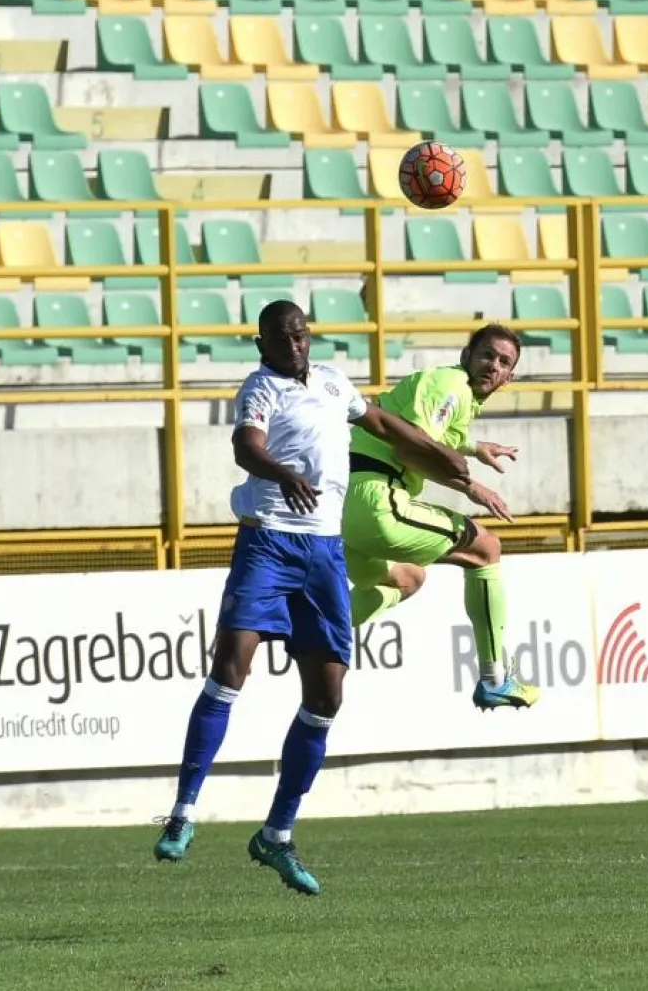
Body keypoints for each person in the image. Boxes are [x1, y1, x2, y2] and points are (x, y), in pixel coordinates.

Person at [154, 299, 472, 895]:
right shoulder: (260, 388)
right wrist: (283, 474)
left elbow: (383, 424)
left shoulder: (331, 382)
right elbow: (246, 446)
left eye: (300, 333)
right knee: (230, 669)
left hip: (324, 552)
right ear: (262, 345)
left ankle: (276, 834)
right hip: (269, 542)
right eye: (282, 337)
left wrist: (446, 457)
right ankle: (182, 812)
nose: (294, 344)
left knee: (327, 696)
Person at [342, 323, 540, 712]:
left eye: (504, 362)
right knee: (486, 548)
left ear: (509, 377)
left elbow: (431, 433)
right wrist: (471, 487)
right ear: (467, 356)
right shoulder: (452, 384)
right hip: (378, 502)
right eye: (487, 355)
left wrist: (474, 446)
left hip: (344, 511)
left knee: (408, 579)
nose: (493, 365)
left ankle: (308, 627)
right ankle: (494, 679)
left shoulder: (454, 393)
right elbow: (410, 449)